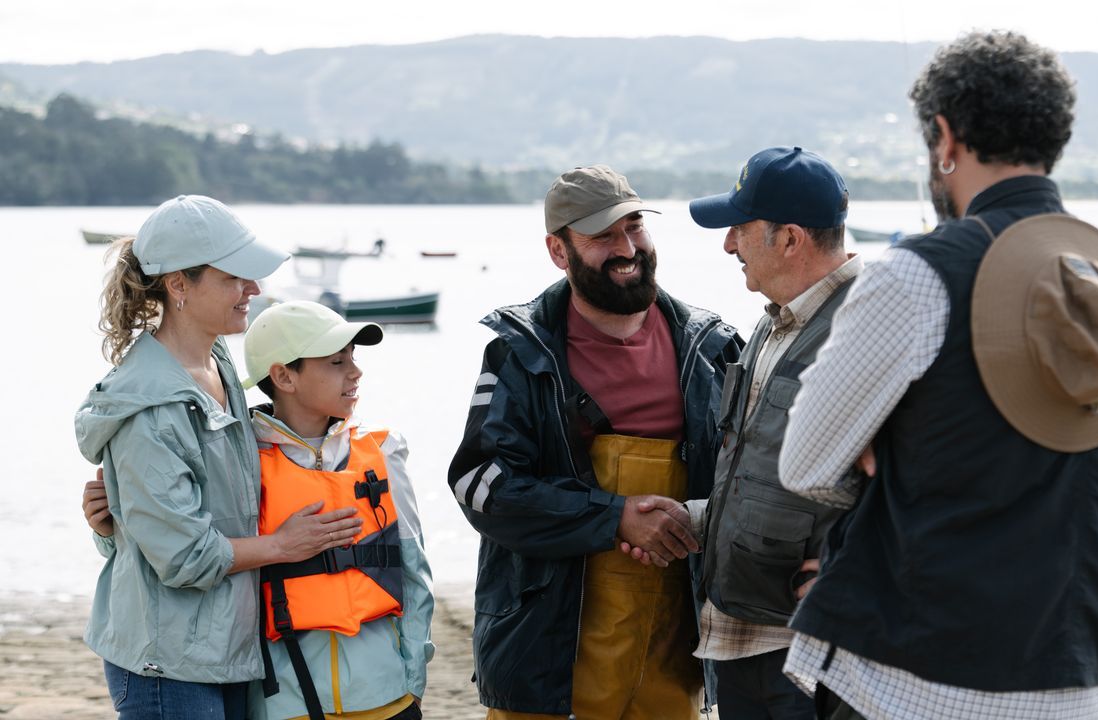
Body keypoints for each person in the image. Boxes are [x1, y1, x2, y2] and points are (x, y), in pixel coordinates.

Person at [776, 31, 1098, 720]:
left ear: (945, 136)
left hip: (922, 677)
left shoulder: (917, 275)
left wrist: (881, 443)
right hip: (1078, 677)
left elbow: (803, 464)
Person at [447, 165, 742, 718]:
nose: (627, 247)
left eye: (634, 226)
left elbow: (749, 478)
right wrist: (615, 517)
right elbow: (480, 485)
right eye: (603, 235)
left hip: (676, 644)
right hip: (546, 645)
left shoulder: (712, 348)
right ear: (559, 252)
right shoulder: (520, 354)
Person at [75, 195, 364, 719]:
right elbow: (184, 557)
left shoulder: (219, 361)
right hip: (168, 664)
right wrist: (281, 546)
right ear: (179, 285)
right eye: (234, 277)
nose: (253, 289)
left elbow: (206, 500)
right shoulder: (150, 407)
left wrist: (116, 522)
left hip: (226, 648)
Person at [624, 146, 862, 719]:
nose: (728, 244)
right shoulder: (770, 324)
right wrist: (696, 519)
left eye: (739, 228)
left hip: (815, 650)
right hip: (737, 637)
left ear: (789, 239)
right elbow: (764, 471)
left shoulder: (868, 327)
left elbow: (926, 481)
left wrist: (853, 572)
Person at [240, 300, 434, 720]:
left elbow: (415, 574)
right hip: (284, 704)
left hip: (387, 700)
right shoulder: (241, 462)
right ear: (283, 376)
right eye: (335, 361)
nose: (355, 371)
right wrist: (107, 531)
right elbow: (189, 551)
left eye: (353, 358)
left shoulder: (383, 450)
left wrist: (412, 682)